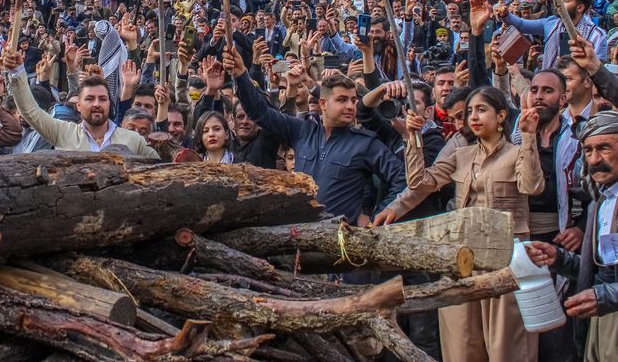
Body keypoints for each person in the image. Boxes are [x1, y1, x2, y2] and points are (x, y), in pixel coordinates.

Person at [375, 87, 543, 362]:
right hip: (464, 257)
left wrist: (528, 137)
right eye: (469, 112)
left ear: (501, 115)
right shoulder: (460, 155)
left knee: (507, 346)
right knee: (462, 343)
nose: (473, 117)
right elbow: (420, 183)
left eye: (481, 110)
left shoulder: (515, 153)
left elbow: (532, 185)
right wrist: (413, 138)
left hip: (508, 258)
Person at [526, 111, 618, 362]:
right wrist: (559, 259)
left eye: (604, 149)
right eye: (588, 151)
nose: (594, 159)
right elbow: (605, 270)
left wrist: (605, 296)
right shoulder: (599, 200)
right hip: (602, 321)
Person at [225, 46, 405, 224]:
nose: (350, 106)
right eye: (342, 100)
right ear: (323, 104)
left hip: (341, 241)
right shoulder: (302, 130)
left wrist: (378, 216)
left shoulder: (365, 143)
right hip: (300, 234)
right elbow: (260, 112)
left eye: (353, 100)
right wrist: (241, 75)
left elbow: (401, 178)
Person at [3, 49, 159, 160]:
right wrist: (17, 71)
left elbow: (162, 167)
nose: (97, 104)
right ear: (78, 105)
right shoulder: (63, 133)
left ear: (109, 104)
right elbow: (30, 111)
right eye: (90, 99)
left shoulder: (133, 139)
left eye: (102, 99)